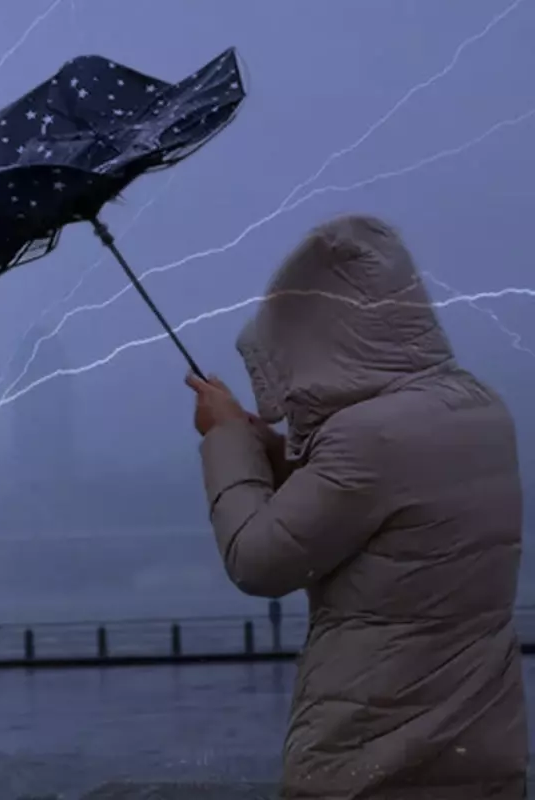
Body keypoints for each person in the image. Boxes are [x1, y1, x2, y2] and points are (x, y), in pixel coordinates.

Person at [186, 214, 527, 798]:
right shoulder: (478, 406)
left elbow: (259, 562)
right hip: (480, 747)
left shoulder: (367, 438)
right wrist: (262, 444)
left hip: (375, 756)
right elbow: (376, 504)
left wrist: (224, 441)